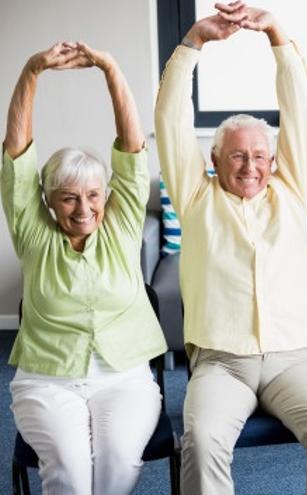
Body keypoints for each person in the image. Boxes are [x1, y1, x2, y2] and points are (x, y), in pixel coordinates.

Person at [154, 2, 307, 493]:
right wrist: (192, 44)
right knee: (201, 441)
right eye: (238, 155)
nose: (250, 166)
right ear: (214, 158)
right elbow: (169, 119)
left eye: (260, 155)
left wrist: (278, 38)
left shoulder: (290, 192)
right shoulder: (197, 197)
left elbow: (298, 111)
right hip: (223, 362)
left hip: (294, 360)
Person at [3, 42, 167, 494]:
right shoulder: (34, 236)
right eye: (69, 197)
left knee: (117, 466)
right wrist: (32, 70)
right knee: (71, 476)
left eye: (93, 195)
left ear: (106, 197)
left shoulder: (121, 227)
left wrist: (110, 68)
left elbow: (132, 152)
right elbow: (16, 157)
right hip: (48, 381)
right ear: (49, 202)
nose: (83, 208)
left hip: (125, 378)